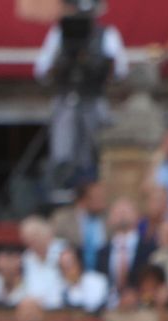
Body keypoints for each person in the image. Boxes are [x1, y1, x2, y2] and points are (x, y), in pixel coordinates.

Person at [33, 0, 126, 199]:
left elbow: (120, 71)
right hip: (67, 97)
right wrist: (62, 62)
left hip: (93, 97)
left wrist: (99, 66)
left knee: (95, 148)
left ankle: (93, 187)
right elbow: (41, 70)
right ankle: (62, 186)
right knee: (63, 144)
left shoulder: (107, 34)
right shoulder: (59, 33)